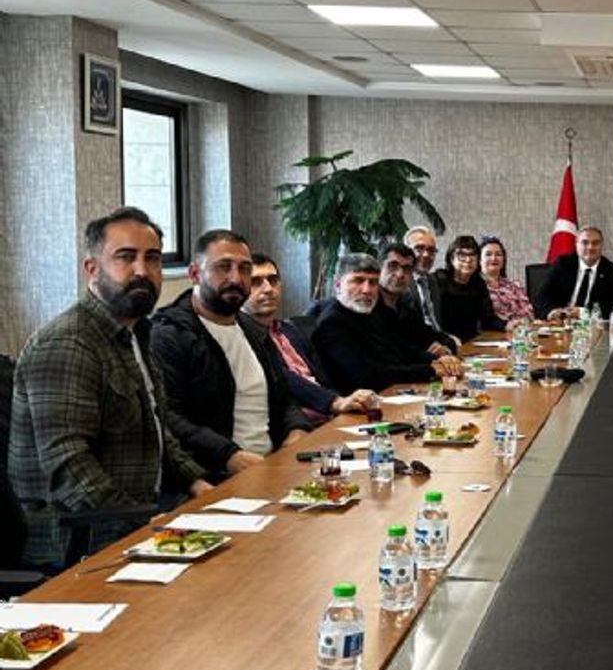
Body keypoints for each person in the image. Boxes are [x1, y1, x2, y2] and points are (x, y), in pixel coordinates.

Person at [9, 207, 214, 566]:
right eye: (125, 257)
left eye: (152, 258)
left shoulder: (136, 332)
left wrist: (199, 485)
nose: (142, 270)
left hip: (139, 523)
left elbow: (156, 431)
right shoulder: (69, 343)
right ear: (92, 269)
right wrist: (143, 525)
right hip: (80, 546)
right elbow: (70, 467)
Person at [151, 229, 311, 482]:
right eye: (223, 267)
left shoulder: (252, 329)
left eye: (244, 269)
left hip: (275, 466)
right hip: (215, 476)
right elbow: (167, 417)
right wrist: (229, 455)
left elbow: (283, 397)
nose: (236, 278)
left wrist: (297, 430)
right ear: (194, 274)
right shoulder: (168, 335)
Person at [242, 253, 378, 425]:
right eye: (255, 282)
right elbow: (285, 380)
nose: (268, 289)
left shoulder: (291, 330)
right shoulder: (242, 336)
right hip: (293, 426)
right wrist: (335, 402)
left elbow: (324, 380)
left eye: (273, 280)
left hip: (330, 418)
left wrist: (344, 406)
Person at [313, 254, 462, 394]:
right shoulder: (333, 323)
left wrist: (437, 360)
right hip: (361, 404)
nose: (367, 290)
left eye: (373, 283)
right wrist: (431, 370)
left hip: (391, 393)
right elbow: (367, 376)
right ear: (338, 285)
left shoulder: (371, 313)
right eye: (358, 281)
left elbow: (400, 350)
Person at [379, 242, 457, 357]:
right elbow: (392, 355)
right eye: (393, 266)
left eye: (407, 269)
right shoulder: (368, 307)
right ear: (378, 268)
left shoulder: (406, 307)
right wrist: (429, 356)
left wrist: (446, 349)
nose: (400, 274)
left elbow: (434, 337)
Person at [535, 226, 613, 320]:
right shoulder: (562, 264)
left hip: (592, 325)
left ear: (602, 246)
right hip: (561, 323)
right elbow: (541, 296)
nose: (590, 247)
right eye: (585, 242)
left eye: (595, 243)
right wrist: (551, 311)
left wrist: (583, 313)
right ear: (576, 245)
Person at [433, 234, 507, 342]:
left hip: (471, 342)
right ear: (451, 259)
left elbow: (488, 319)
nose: (468, 260)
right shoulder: (439, 280)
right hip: (443, 341)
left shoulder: (478, 283)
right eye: (462, 255)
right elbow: (432, 319)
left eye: (472, 255)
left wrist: (507, 325)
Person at [402, 225, 447, 337]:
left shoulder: (433, 281)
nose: (426, 255)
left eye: (431, 250)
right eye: (419, 248)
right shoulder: (400, 283)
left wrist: (446, 337)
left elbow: (435, 322)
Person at [478, 235, 534, 322]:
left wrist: (515, 323)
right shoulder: (475, 286)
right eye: (488, 254)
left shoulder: (514, 285)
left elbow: (529, 315)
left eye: (498, 254)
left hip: (519, 329)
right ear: (479, 260)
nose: (494, 258)